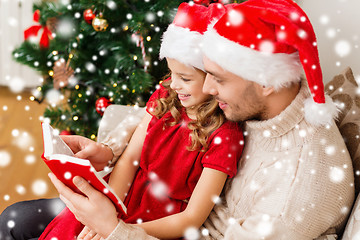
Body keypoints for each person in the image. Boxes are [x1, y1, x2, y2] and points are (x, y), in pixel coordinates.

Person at [0, 0, 355, 239]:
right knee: (14, 219)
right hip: (138, 206)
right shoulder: (265, 94)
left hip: (158, 227)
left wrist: (114, 228)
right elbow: (155, 123)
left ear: (263, 82)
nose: (208, 89)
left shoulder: (296, 192)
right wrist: (108, 151)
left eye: (219, 78)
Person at [0, 2, 244, 240]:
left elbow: (190, 219)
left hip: (159, 223)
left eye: (186, 78)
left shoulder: (225, 135)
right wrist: (111, 208)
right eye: (172, 73)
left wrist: (117, 229)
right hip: (121, 195)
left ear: (215, 77)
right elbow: (130, 158)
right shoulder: (166, 95)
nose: (174, 84)